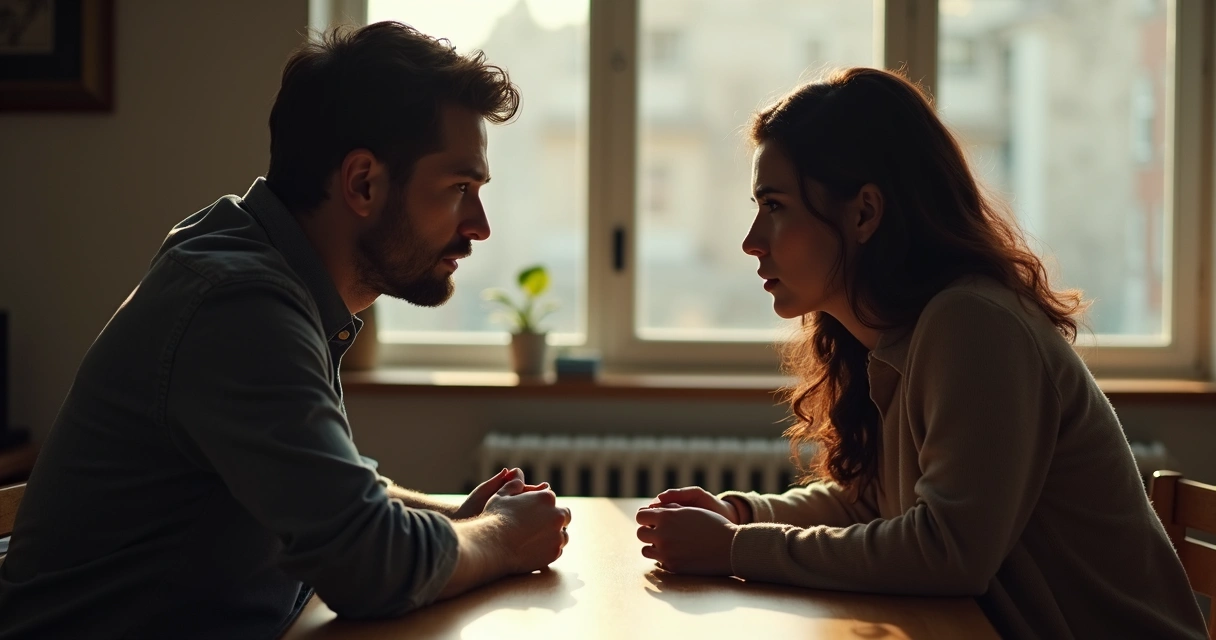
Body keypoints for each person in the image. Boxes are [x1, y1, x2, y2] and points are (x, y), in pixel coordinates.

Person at [0, 22, 570, 639]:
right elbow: (365, 562)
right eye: (459, 187)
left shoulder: (268, 271)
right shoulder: (239, 305)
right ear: (362, 183)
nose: (479, 225)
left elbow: (331, 488)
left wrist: (457, 517)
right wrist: (504, 537)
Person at [634, 67, 1207, 639]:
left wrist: (736, 548)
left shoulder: (974, 324)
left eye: (776, 205)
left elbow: (947, 551)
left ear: (863, 213)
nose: (752, 239)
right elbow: (871, 509)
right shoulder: (899, 335)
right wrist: (740, 515)